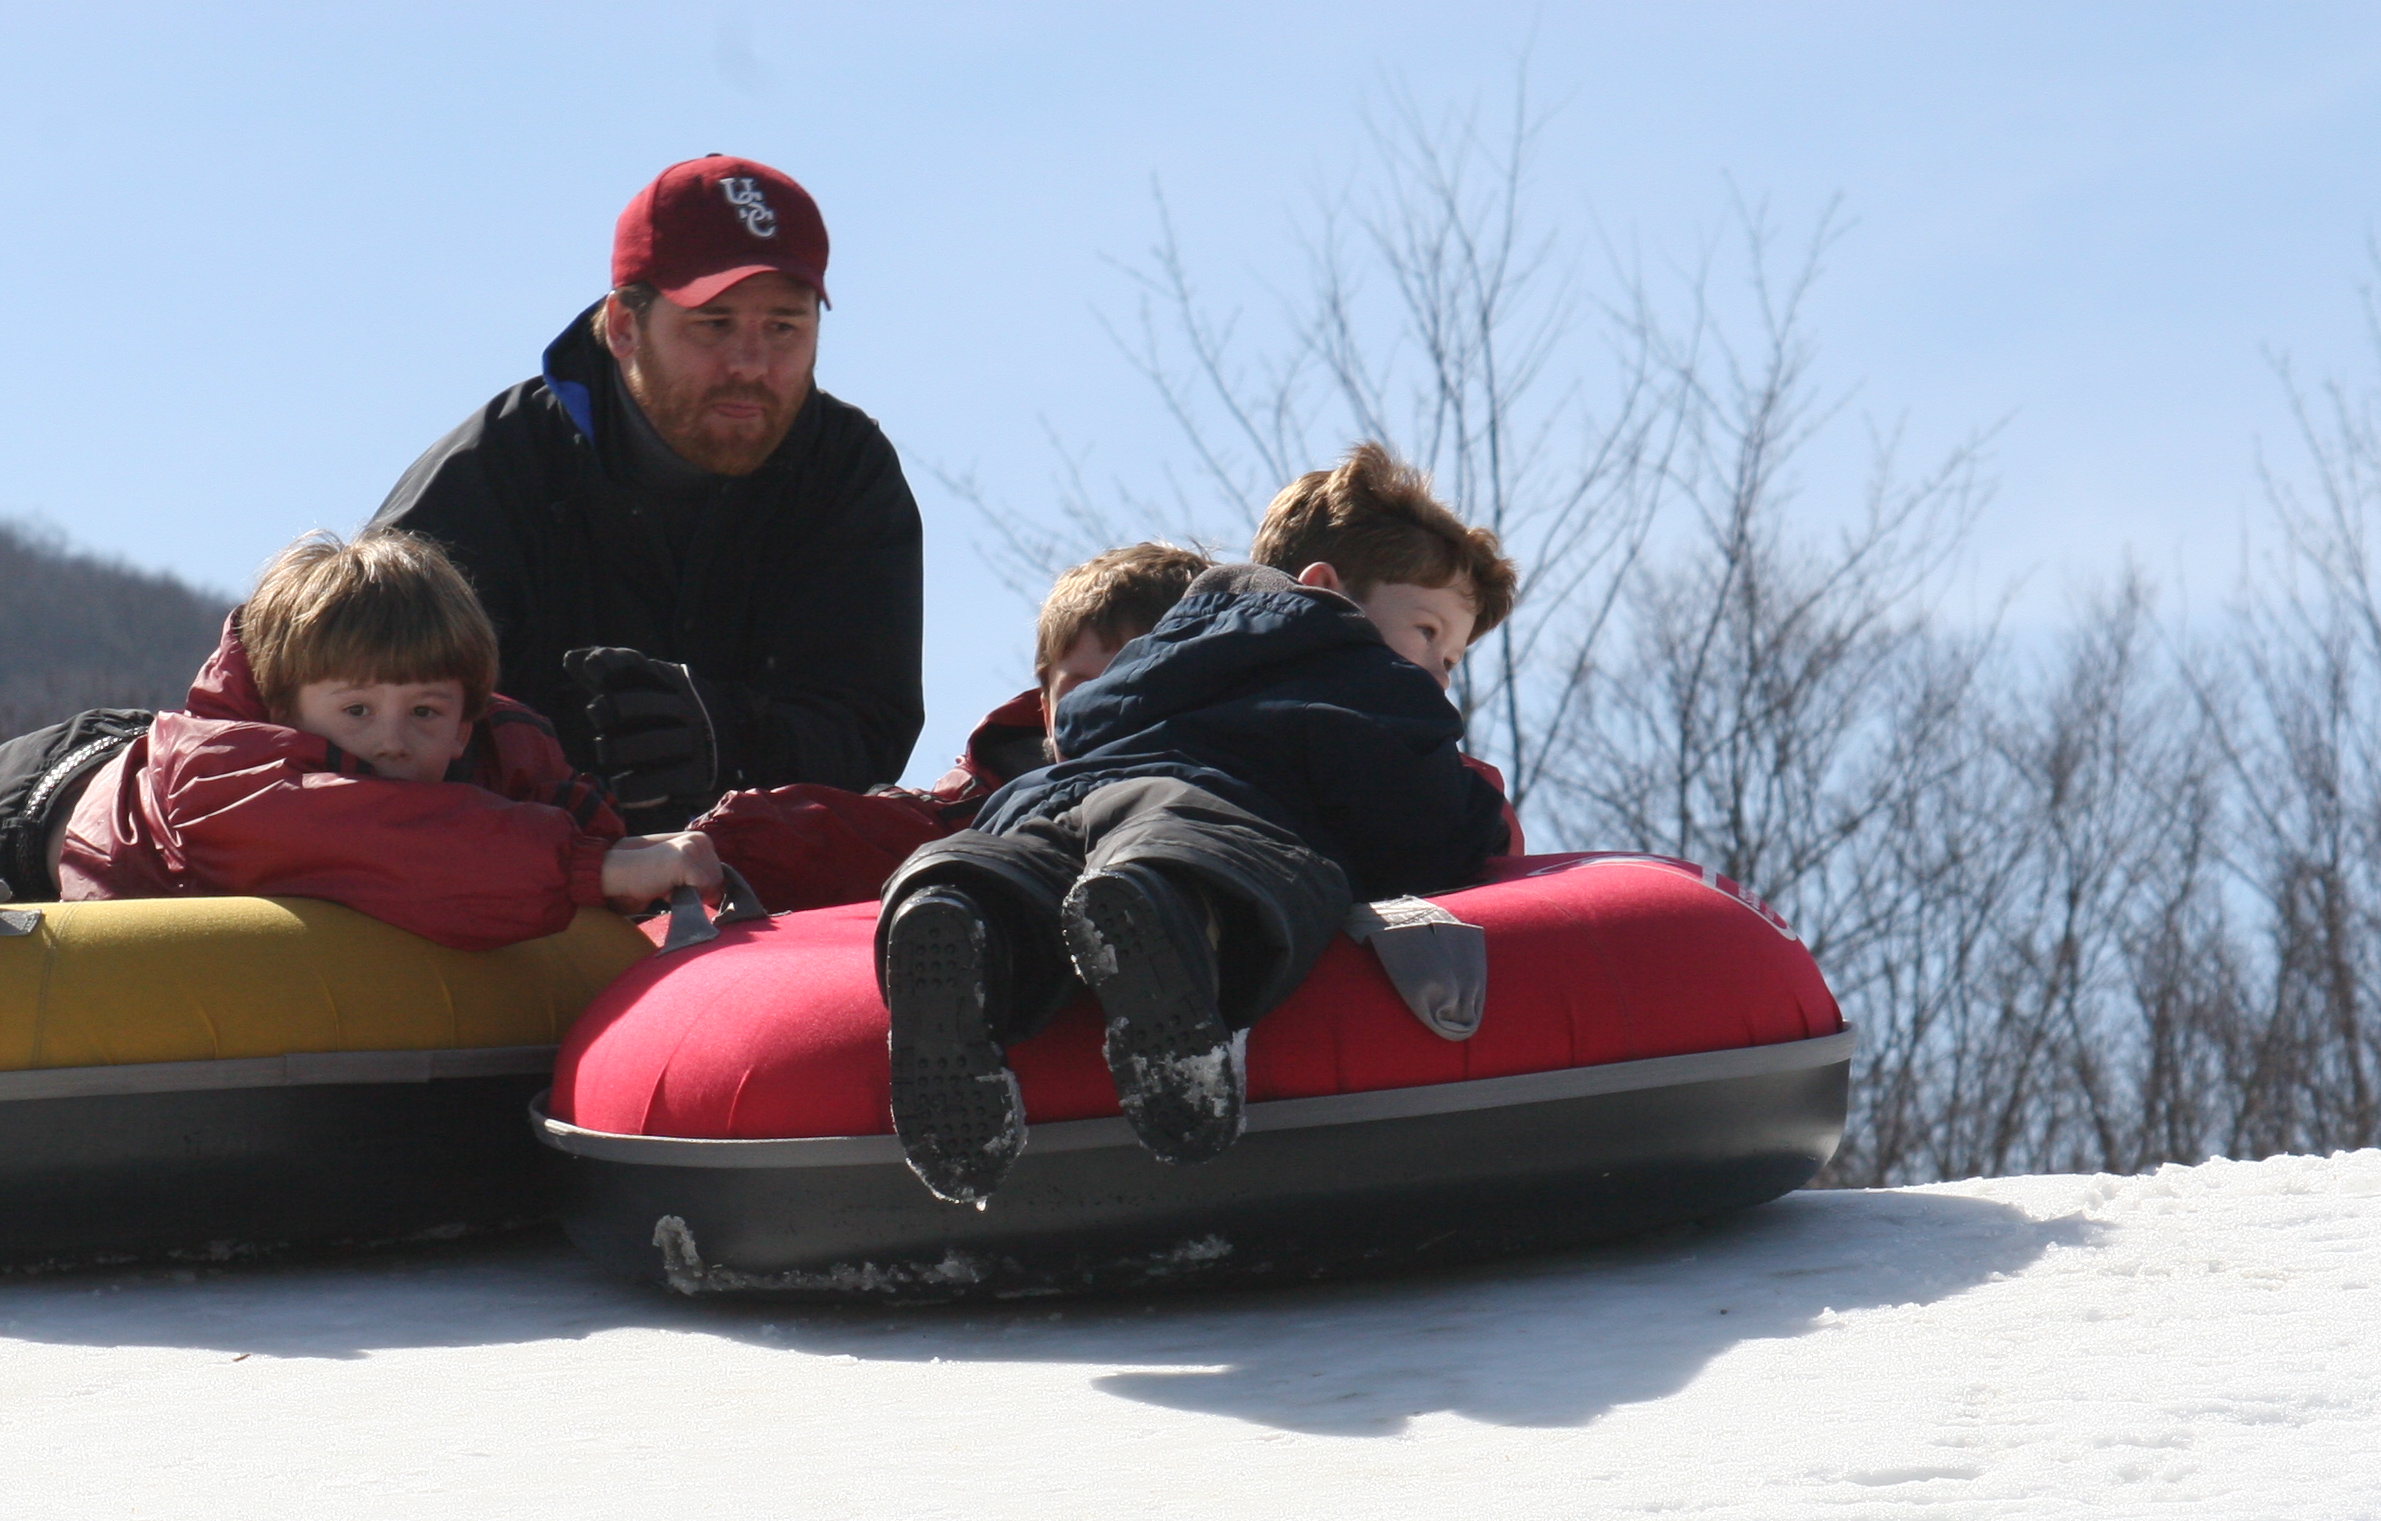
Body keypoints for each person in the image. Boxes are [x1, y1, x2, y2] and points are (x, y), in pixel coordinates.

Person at [875, 445, 1520, 1205]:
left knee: (1026, 878)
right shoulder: (1361, 674)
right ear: (1327, 591)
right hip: (1203, 820)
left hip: (1055, 802)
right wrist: (1472, 821)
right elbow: (1413, 823)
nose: (1440, 673)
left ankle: (964, 920)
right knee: (1239, 874)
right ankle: (1167, 942)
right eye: (1428, 633)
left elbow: (1081, 725)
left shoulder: (1165, 649)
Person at [369, 156, 922, 831]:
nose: (751, 363)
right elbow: (364, 726)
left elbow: (869, 729)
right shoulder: (487, 478)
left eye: (784, 327)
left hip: (760, 906)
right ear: (625, 327)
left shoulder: (846, 474)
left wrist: (723, 738)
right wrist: (561, 793)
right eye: (714, 324)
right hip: (502, 902)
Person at [41, 530, 725, 952]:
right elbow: (356, 836)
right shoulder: (224, 775)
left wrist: (675, 858)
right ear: (284, 714)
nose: (390, 742)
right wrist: (589, 868)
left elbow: (576, 823)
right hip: (27, 804)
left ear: (465, 723)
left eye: (425, 712)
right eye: (358, 709)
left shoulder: (500, 752)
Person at [692, 540, 1214, 913]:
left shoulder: (1231, 795)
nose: (1100, 710)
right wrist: (725, 844)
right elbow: (860, 837)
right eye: (1078, 690)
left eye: (1126, 685)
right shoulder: (978, 810)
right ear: (1045, 705)